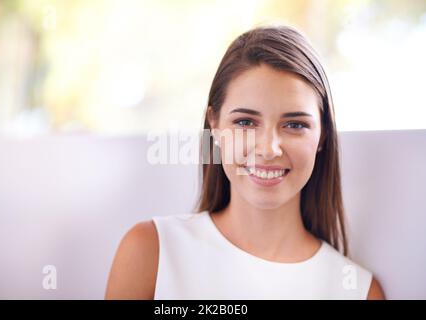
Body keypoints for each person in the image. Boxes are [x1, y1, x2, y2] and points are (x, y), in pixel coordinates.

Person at [105, 25, 385, 300]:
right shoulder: (151, 251)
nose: (268, 149)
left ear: (322, 134)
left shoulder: (358, 292)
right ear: (214, 125)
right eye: (245, 122)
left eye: (295, 124)